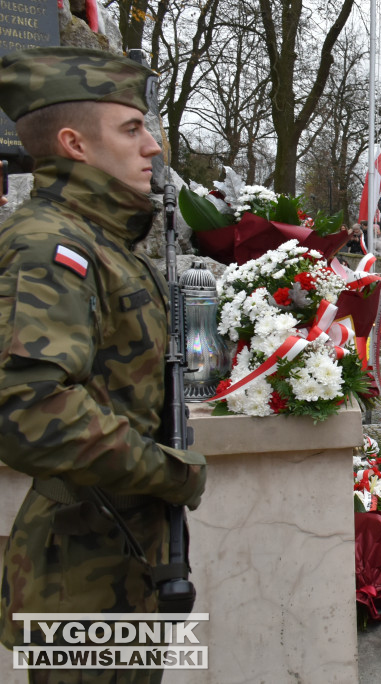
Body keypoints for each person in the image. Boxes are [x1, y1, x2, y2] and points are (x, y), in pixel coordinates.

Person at [0, 46, 207, 666]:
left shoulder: (101, 240)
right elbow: (28, 411)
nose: (153, 147)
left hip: (121, 557)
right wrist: (169, 471)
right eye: (132, 128)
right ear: (75, 144)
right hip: (82, 575)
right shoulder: (50, 244)